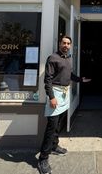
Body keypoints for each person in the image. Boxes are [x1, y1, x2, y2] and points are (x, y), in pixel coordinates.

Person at [37, 35, 91, 174]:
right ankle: (43, 158)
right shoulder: (53, 58)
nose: (66, 45)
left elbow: (69, 74)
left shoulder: (69, 58)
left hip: (65, 93)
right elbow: (47, 79)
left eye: (68, 43)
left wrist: (79, 79)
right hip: (55, 93)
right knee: (51, 126)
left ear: (70, 45)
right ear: (59, 44)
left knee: (60, 123)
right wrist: (51, 97)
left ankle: (54, 145)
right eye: (64, 43)